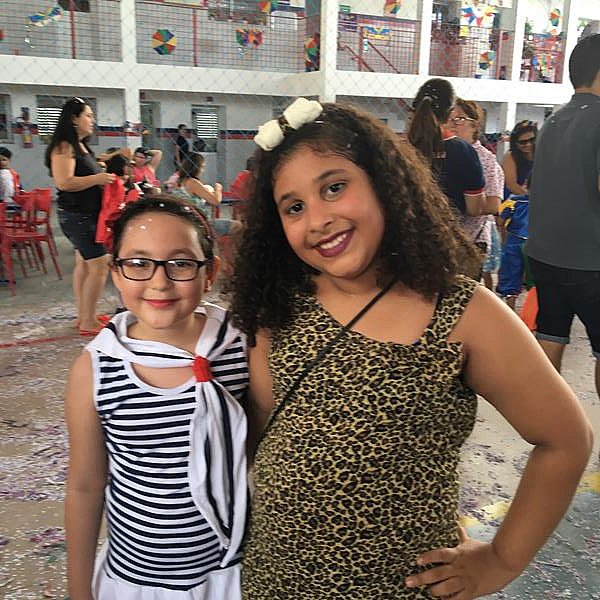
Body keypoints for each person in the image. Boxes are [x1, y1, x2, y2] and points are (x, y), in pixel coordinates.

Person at [230, 98, 593, 599]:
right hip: (276, 581)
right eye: (294, 207)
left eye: (334, 187)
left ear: (383, 182)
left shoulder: (461, 312)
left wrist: (501, 559)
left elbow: (566, 439)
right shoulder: (279, 306)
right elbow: (260, 434)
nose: (317, 219)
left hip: (400, 587)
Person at [64, 194, 249, 600]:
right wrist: (79, 589)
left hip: (232, 572)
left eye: (180, 264)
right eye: (138, 263)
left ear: (211, 272)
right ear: (115, 272)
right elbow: (85, 486)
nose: (159, 282)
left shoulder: (240, 347)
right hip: (139, 579)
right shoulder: (96, 369)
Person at [526, 33, 600, 401]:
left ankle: (545, 422)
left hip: (545, 254)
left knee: (551, 335)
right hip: (591, 260)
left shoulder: (554, 121)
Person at [44, 97, 115, 336]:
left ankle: (85, 315)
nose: (93, 120)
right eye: (88, 116)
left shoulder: (81, 145)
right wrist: (98, 179)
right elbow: (64, 182)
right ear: (74, 119)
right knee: (100, 266)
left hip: (85, 214)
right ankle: (88, 322)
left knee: (85, 265)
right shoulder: (65, 146)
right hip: (78, 216)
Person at [407, 78, 485, 220]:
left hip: (404, 228)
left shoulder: (399, 148)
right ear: (450, 113)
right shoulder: (464, 151)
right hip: (446, 228)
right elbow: (475, 208)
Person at [448, 99, 504, 274]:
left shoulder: (486, 159)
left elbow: (493, 204)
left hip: (470, 241)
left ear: (475, 125)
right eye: (450, 118)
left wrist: (462, 202)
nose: (453, 124)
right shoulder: (445, 151)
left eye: (460, 119)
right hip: (445, 238)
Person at [174, 153, 242, 237]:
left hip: (187, 222)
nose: (203, 171)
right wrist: (218, 189)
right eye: (202, 167)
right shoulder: (193, 182)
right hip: (200, 224)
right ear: (196, 168)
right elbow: (216, 201)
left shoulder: (179, 182)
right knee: (238, 226)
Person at [95, 153, 140, 248]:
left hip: (111, 216)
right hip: (111, 218)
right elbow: (110, 203)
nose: (128, 168)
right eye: (126, 165)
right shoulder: (114, 181)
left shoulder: (115, 180)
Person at [497, 187, 530, 309]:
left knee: (511, 275)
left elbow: (500, 222)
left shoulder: (514, 201)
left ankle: (511, 309)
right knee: (535, 280)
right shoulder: (546, 203)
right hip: (532, 243)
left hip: (516, 241)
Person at [502, 120, 537, 198]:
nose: (528, 144)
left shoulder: (541, 154)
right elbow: (511, 185)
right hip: (512, 199)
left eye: (532, 140)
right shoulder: (510, 156)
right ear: (516, 143)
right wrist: (532, 198)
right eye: (523, 142)